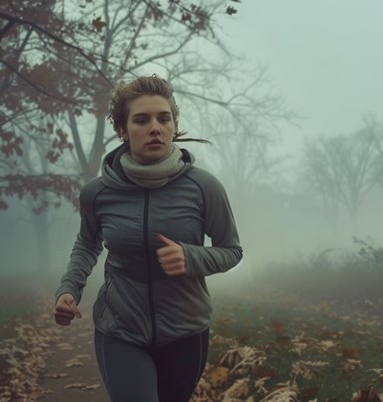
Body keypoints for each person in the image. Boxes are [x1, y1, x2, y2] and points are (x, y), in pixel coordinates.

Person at [53, 75, 243, 402]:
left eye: (163, 118)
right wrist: (69, 289)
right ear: (123, 131)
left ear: (173, 126)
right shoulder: (97, 193)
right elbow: (87, 244)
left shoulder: (203, 187)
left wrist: (192, 257)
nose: (154, 127)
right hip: (120, 329)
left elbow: (231, 250)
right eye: (142, 119)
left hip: (186, 332)